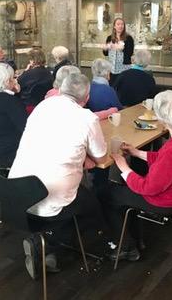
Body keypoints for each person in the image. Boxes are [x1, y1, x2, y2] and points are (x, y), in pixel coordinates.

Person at [9, 73, 108, 279]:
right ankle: (49, 244)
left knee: (70, 195)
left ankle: (48, 249)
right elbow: (101, 158)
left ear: (61, 90)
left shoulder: (42, 107)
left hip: (17, 194)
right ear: (86, 98)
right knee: (92, 205)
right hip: (52, 200)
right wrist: (84, 158)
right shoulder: (87, 118)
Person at [106, 90, 172, 260]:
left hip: (168, 201)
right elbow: (165, 162)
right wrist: (137, 153)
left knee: (108, 194)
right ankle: (135, 238)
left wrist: (124, 167)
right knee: (125, 187)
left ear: (161, 120)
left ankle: (127, 247)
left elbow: (148, 188)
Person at [102, 17, 134, 84]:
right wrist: (105, 48)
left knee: (123, 87)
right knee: (113, 87)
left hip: (124, 69)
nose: (120, 26)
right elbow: (106, 53)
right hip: (112, 69)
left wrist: (122, 48)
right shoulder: (109, 38)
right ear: (114, 26)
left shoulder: (129, 38)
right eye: (118, 24)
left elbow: (130, 53)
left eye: (122, 24)